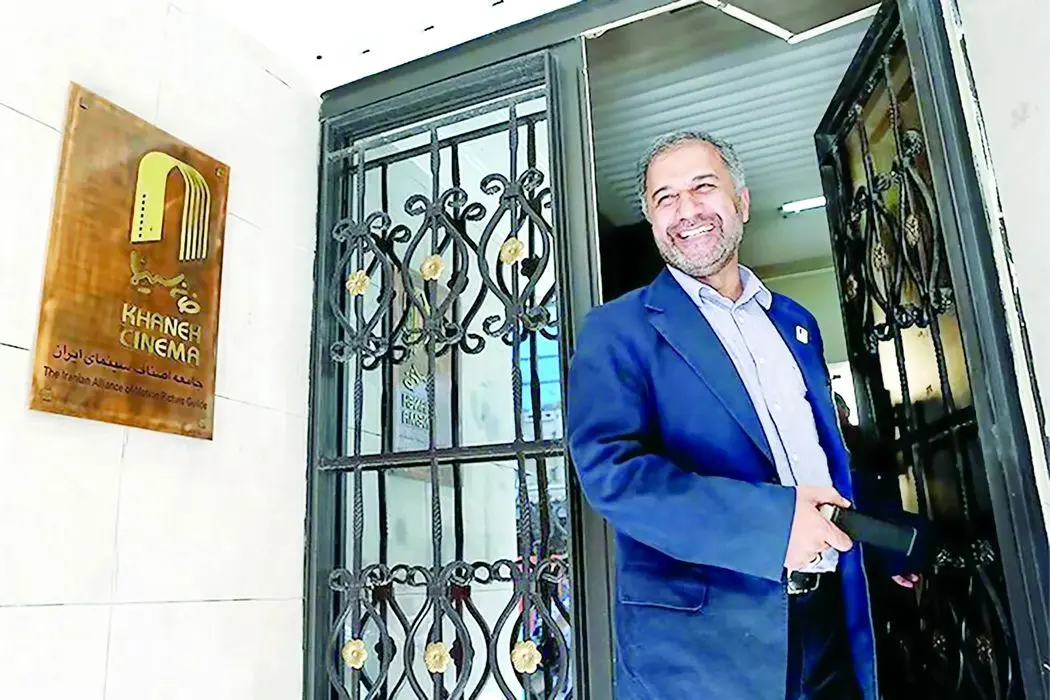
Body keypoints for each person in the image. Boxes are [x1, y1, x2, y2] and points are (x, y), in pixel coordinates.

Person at [566, 130, 917, 699]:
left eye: (703, 187)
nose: (686, 211)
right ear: (652, 221)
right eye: (665, 198)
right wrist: (773, 527)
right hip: (704, 652)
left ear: (741, 202)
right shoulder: (616, 328)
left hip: (829, 620)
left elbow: (821, 457)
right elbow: (613, 475)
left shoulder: (796, 322)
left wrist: (876, 544)